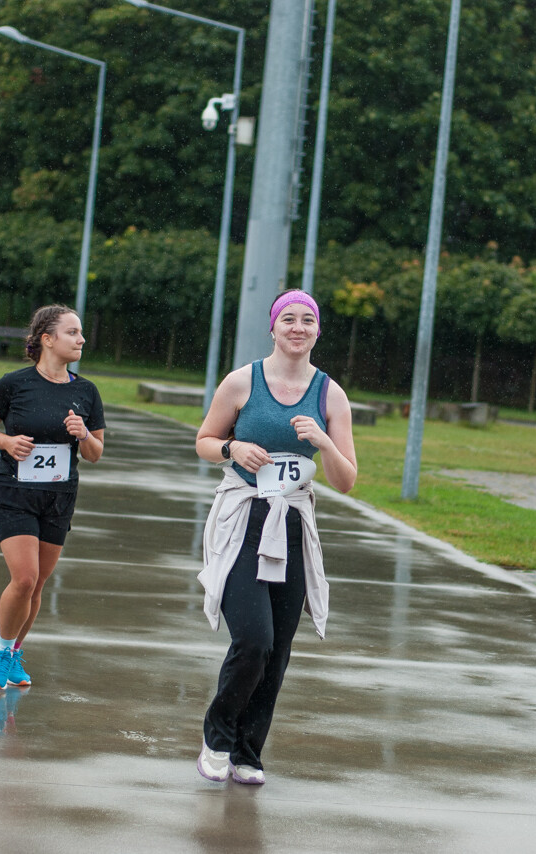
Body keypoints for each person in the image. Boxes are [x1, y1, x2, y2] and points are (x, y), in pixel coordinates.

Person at [193, 289, 357, 785]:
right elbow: (203, 441)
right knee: (254, 640)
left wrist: (324, 439)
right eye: (289, 319)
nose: (298, 327)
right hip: (244, 519)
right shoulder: (242, 382)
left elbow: (346, 478)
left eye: (308, 320)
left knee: (279, 648)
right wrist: (233, 447)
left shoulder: (330, 394)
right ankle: (216, 738)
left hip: (292, 525)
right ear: (273, 327)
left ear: (318, 331)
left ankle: (247, 752)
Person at [0, 305, 105, 691]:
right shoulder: (13, 384)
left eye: (81, 333)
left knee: (39, 583)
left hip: (59, 497)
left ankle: (15, 653)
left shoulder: (86, 392)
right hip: (14, 493)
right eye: (73, 333)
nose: (81, 340)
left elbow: (96, 454)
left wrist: (83, 434)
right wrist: (5, 441)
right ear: (47, 339)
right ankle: (0, 652)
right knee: (24, 578)